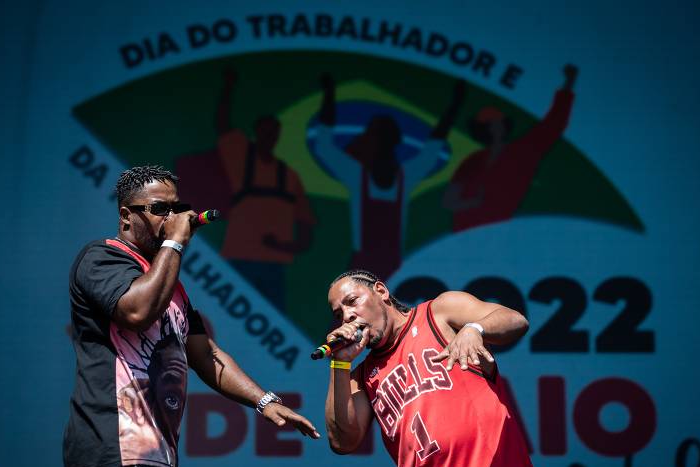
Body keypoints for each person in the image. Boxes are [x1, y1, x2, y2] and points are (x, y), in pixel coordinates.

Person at [63, 165, 320, 467]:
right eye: (159, 209)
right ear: (126, 216)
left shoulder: (171, 288)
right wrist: (174, 242)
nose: (171, 217)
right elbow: (136, 313)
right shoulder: (103, 257)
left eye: (175, 208)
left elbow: (206, 354)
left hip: (151, 454)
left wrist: (265, 402)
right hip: (121, 448)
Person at [324, 269, 545, 467]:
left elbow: (515, 320)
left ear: (381, 291)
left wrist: (475, 329)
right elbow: (342, 442)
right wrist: (340, 363)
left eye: (352, 301)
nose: (347, 316)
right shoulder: (361, 377)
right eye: (338, 314)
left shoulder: (438, 312)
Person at [315, 74, 465, 280]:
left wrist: (454, 107)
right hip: (362, 268)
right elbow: (324, 146)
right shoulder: (358, 176)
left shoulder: (406, 176)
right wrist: (329, 95)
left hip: (393, 267)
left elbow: (434, 146)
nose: (381, 145)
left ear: (394, 143)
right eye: (377, 138)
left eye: (386, 139)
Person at [215, 68, 316, 310]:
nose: (269, 136)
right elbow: (222, 124)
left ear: (279, 135)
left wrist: (284, 246)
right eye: (264, 130)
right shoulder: (240, 159)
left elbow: (306, 228)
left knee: (269, 321)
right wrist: (228, 86)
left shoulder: (289, 176)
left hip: (273, 267)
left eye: (274, 131)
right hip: (239, 260)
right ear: (256, 133)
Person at [443, 64, 578, 232]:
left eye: (496, 122)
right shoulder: (472, 160)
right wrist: (471, 202)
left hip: (496, 236)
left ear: (504, 126)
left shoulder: (522, 152)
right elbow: (449, 200)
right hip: (464, 239)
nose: (494, 127)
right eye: (488, 124)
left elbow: (554, 123)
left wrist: (569, 82)